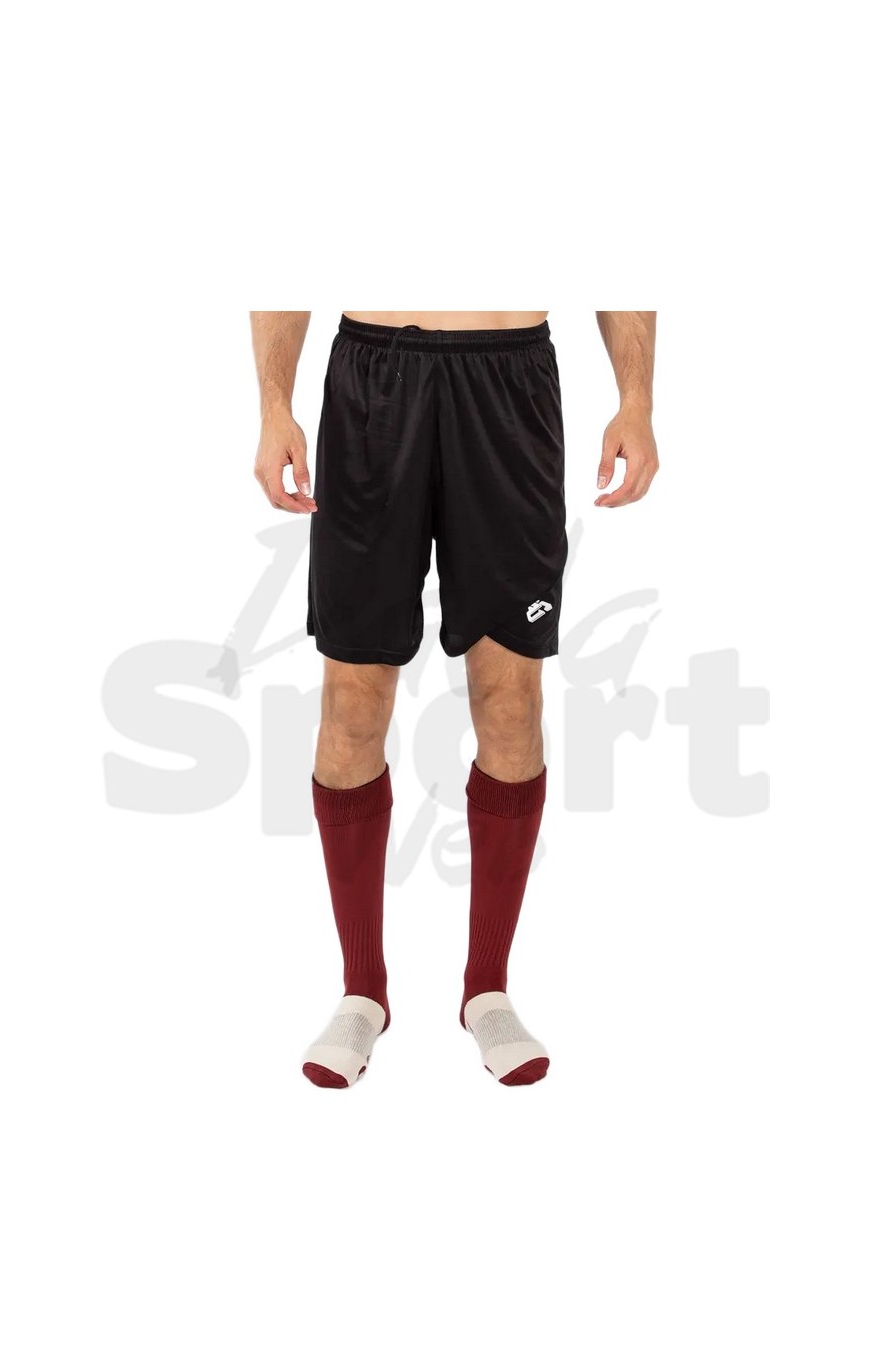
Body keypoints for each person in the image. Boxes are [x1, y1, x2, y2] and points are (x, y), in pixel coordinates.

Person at [249, 311, 659, 1087]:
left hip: (510, 385)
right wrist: (275, 407)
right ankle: (363, 989)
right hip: (373, 383)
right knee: (351, 707)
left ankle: (486, 989)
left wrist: (634, 399)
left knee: (511, 702)